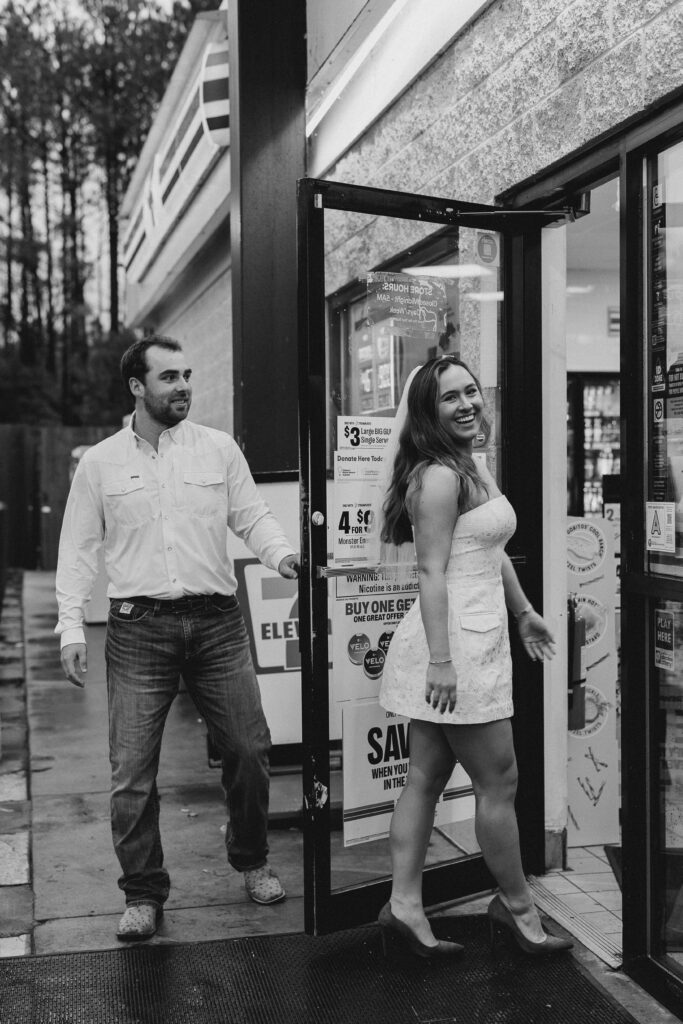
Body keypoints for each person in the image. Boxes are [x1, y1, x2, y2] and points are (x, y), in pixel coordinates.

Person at [55, 335, 299, 942]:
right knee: (131, 773)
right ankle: (143, 893)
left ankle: (251, 857)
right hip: (139, 629)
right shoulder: (101, 463)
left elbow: (251, 516)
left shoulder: (218, 449)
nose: (184, 385)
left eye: (187, 373)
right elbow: (78, 549)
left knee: (249, 748)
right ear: (137, 387)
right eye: (169, 377)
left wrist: (281, 555)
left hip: (218, 623)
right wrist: (68, 627)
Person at [376, 355, 572, 958]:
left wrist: (523, 611)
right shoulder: (437, 477)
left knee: (426, 777)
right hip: (453, 649)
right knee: (500, 781)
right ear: (427, 413)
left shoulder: (470, 465)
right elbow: (433, 571)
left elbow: (486, 553)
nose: (467, 405)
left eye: (471, 392)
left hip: (474, 637)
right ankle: (516, 909)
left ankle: (404, 906)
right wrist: (441, 661)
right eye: (449, 398)